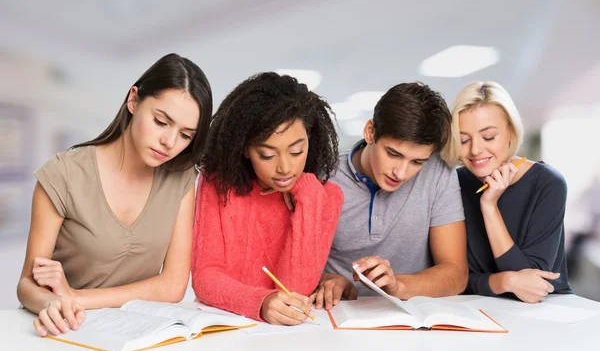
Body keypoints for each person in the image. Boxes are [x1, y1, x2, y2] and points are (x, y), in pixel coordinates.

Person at [17, 53, 213, 336]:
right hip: (67, 330)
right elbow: (27, 284)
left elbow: (172, 285)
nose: (169, 142)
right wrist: (53, 303)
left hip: (136, 332)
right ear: (134, 100)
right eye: (161, 121)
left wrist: (75, 296)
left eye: (185, 135)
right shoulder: (63, 174)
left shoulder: (180, 177)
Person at [192, 72, 343, 325]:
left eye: (296, 151)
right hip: (224, 333)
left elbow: (296, 288)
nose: (285, 167)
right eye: (267, 155)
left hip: (290, 343)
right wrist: (260, 303)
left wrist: (308, 199)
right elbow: (205, 277)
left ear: (310, 139)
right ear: (244, 148)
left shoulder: (324, 197)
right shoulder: (218, 184)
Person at [313, 82, 468, 309]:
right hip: (336, 313)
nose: (401, 172)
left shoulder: (438, 174)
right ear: (370, 132)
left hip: (409, 315)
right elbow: (282, 265)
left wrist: (399, 287)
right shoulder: (322, 177)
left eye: (417, 162)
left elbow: (456, 274)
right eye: (393, 154)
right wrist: (323, 280)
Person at [443, 80, 571, 302]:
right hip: (478, 309)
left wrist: (489, 206)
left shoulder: (548, 183)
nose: (475, 150)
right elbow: (454, 279)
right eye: (464, 140)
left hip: (548, 310)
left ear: (511, 132)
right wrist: (504, 282)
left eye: (488, 137)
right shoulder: (453, 183)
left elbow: (532, 286)